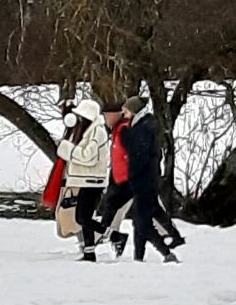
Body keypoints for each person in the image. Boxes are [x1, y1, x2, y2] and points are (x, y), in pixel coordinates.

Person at [98, 105, 186, 258]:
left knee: (140, 219)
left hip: (131, 181)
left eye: (107, 115)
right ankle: (170, 239)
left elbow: (137, 155)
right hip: (126, 180)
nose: (104, 118)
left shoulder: (126, 129)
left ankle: (156, 251)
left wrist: (132, 175)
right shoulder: (120, 129)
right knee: (148, 212)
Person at [57, 99, 109, 262]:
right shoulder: (88, 131)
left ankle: (110, 234)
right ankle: (89, 252)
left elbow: (88, 157)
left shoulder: (98, 132)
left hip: (92, 182)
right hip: (84, 180)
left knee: (82, 218)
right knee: (83, 218)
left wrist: (69, 150)